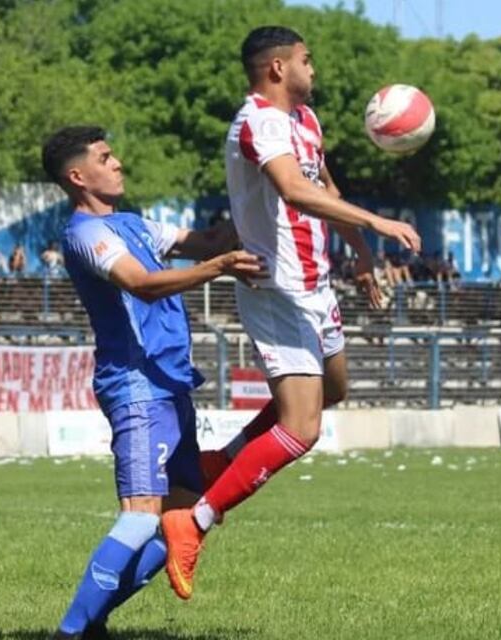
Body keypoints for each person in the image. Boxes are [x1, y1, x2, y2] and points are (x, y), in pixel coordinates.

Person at [160, 25, 421, 601]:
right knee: (302, 428)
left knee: (334, 390)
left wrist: (359, 252)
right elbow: (293, 190)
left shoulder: (306, 120)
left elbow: (324, 188)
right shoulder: (258, 122)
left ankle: (221, 461)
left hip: (316, 284)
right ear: (278, 67)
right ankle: (194, 521)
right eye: (307, 59)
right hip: (276, 288)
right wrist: (378, 221)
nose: (313, 68)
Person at [42, 125, 263, 640]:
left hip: (170, 384)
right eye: (105, 157)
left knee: (180, 517)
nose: (117, 163)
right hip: (137, 386)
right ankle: (72, 631)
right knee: (141, 517)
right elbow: (141, 284)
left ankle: (90, 623)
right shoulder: (85, 234)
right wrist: (219, 267)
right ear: (78, 176)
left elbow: (208, 241)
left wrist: (260, 194)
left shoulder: (132, 224)